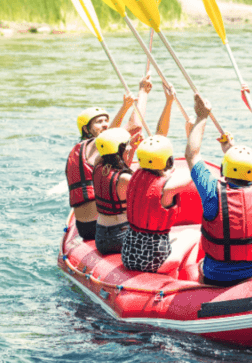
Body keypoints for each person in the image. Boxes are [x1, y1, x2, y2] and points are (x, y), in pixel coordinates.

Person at [185, 94, 252, 286]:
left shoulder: (212, 191)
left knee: (201, 264)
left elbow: (192, 155)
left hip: (217, 275)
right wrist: (231, 150)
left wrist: (202, 117)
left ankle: (204, 293)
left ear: (226, 167)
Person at [92, 87, 177, 255]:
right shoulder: (127, 179)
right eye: (128, 144)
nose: (131, 145)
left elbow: (108, 138)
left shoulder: (98, 164)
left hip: (101, 236)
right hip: (121, 236)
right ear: (121, 149)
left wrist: (143, 95)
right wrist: (169, 103)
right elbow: (160, 138)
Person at [66, 76, 152, 241]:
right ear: (86, 129)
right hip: (98, 225)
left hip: (85, 226)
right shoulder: (93, 147)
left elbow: (111, 134)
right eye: (99, 122)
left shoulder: (85, 152)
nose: (105, 124)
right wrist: (143, 92)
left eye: (106, 120)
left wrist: (125, 107)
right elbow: (135, 126)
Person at [122, 135, 195, 272]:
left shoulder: (133, 178)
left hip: (129, 257)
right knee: (192, 234)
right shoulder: (167, 188)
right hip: (154, 263)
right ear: (169, 161)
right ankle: (187, 273)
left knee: (175, 237)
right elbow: (194, 172)